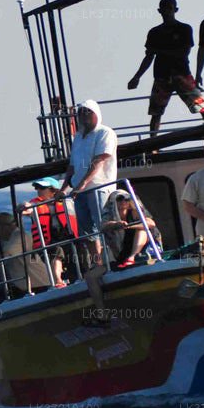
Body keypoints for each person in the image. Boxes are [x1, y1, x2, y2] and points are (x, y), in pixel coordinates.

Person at [127, 0, 204, 131]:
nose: (167, 11)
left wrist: (160, 51)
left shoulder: (184, 29)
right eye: (164, 8)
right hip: (161, 76)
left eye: (169, 8)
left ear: (175, 10)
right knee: (156, 113)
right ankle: (153, 147)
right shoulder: (154, 32)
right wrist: (137, 77)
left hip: (182, 74)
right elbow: (149, 56)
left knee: (201, 107)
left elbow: (184, 52)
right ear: (159, 11)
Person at [60, 100, 117, 265]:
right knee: (87, 232)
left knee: (105, 226)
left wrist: (83, 183)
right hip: (79, 192)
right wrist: (64, 188)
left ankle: (119, 258)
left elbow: (99, 160)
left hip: (99, 187)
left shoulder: (105, 133)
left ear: (96, 114)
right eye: (81, 113)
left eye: (87, 112)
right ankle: (98, 263)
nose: (84, 116)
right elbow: (72, 165)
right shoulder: (77, 137)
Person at [24, 176, 79, 288]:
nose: (38, 190)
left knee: (76, 250)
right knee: (56, 251)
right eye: (37, 188)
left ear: (53, 190)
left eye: (41, 187)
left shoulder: (67, 203)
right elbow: (27, 209)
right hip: (48, 242)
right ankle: (58, 281)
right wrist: (23, 206)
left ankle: (80, 277)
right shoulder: (35, 205)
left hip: (67, 237)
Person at [100, 189, 160, 270]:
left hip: (144, 247)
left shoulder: (134, 212)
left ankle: (132, 258)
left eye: (127, 198)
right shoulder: (111, 216)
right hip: (125, 248)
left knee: (142, 230)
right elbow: (103, 226)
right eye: (120, 198)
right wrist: (116, 224)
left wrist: (129, 226)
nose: (123, 201)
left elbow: (151, 223)